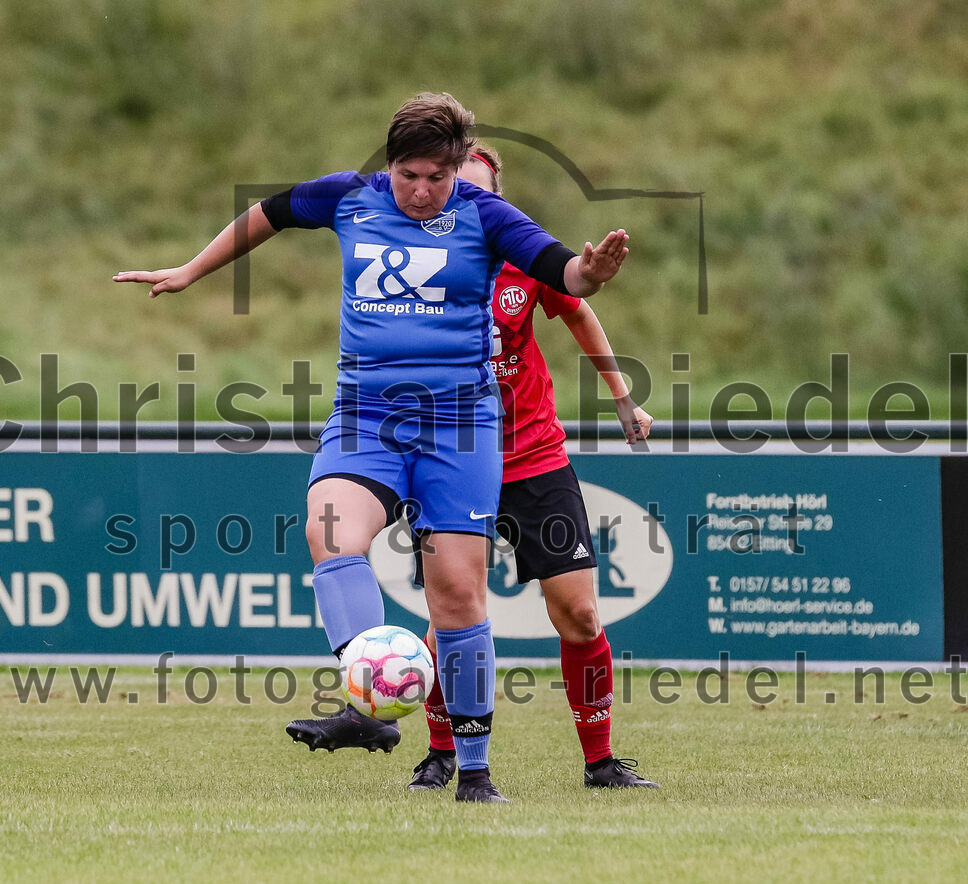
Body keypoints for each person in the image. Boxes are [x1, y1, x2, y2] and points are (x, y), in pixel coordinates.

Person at [113, 93, 629, 804]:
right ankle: (371, 702)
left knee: (457, 594)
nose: (421, 191)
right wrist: (189, 270)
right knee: (329, 527)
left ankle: (473, 771)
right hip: (368, 414)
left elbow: (564, 272)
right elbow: (268, 213)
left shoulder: (486, 216)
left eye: (437, 178)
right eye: (409, 175)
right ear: (389, 165)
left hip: (459, 425)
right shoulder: (349, 198)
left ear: (457, 170)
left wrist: (591, 273)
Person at [405, 145, 658, 792]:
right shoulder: (414, 270)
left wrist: (622, 394)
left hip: (535, 458)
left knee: (579, 613)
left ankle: (600, 762)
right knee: (447, 621)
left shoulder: (525, 256)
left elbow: (577, 304)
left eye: (482, 192)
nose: (470, 204)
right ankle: (440, 755)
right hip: (455, 462)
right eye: (457, 191)